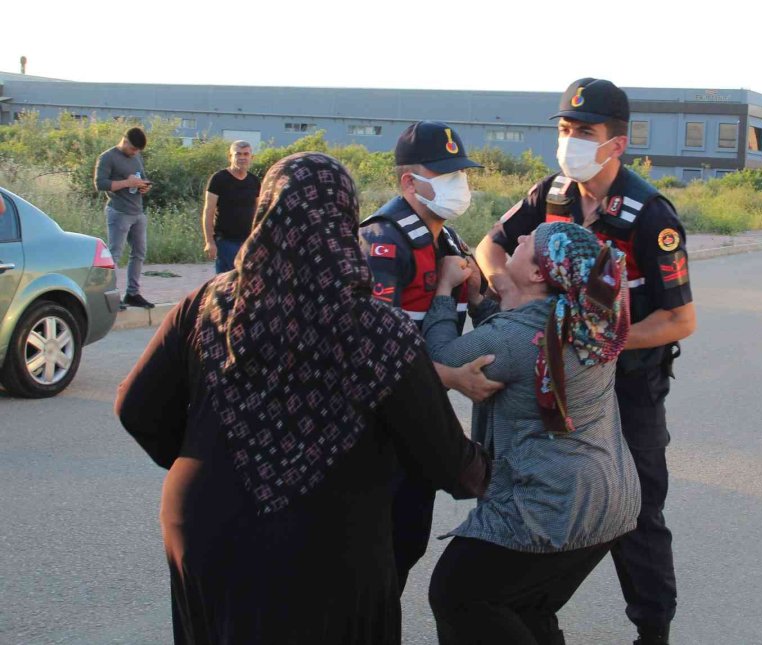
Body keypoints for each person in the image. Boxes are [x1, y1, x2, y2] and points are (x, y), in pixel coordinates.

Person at [115, 152, 490, 645]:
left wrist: (210, 460)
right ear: (344, 221)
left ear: (264, 213)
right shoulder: (378, 329)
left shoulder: (208, 301)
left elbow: (136, 408)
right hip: (333, 546)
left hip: (206, 527)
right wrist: (505, 471)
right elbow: (444, 457)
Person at [475, 78, 696, 645]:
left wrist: (600, 344)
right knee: (536, 490)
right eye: (565, 130)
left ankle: (652, 630)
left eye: (584, 133)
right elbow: (489, 245)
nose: (570, 141)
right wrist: (503, 283)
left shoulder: (650, 216)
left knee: (637, 513)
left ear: (616, 144)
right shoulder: (551, 194)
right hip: (557, 382)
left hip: (626, 388)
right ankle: (530, 615)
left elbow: (679, 320)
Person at [425, 222, 640, 645]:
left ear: (541, 273)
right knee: (527, 606)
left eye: (529, 242)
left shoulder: (513, 339)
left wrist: (444, 292)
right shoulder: (587, 321)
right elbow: (522, 340)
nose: (520, 240)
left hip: (552, 504)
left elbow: (440, 358)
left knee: (458, 594)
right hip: (609, 499)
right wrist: (482, 301)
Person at [359, 120, 503, 591]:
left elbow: (484, 317)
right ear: (409, 182)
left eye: (460, 173)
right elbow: (372, 354)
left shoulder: (450, 241)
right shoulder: (384, 240)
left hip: (419, 416)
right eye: (444, 175)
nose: (458, 184)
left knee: (408, 540)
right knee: (378, 551)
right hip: (377, 425)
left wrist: (479, 296)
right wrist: (454, 378)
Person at [94, 127, 154, 309]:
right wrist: (127, 183)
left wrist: (144, 186)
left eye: (138, 151)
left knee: (139, 253)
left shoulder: (136, 157)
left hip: (137, 211)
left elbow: (141, 177)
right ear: (125, 141)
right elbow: (100, 184)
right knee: (114, 254)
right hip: (119, 212)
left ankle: (133, 293)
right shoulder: (107, 157)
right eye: (133, 149)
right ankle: (110, 294)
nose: (135, 153)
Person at [202, 140, 261, 273]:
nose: (242, 158)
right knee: (226, 283)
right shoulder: (218, 179)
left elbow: (258, 211)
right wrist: (209, 241)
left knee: (246, 281)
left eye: (246, 154)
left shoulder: (254, 181)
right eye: (238, 154)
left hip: (248, 241)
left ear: (251, 157)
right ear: (230, 157)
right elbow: (208, 211)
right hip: (225, 241)